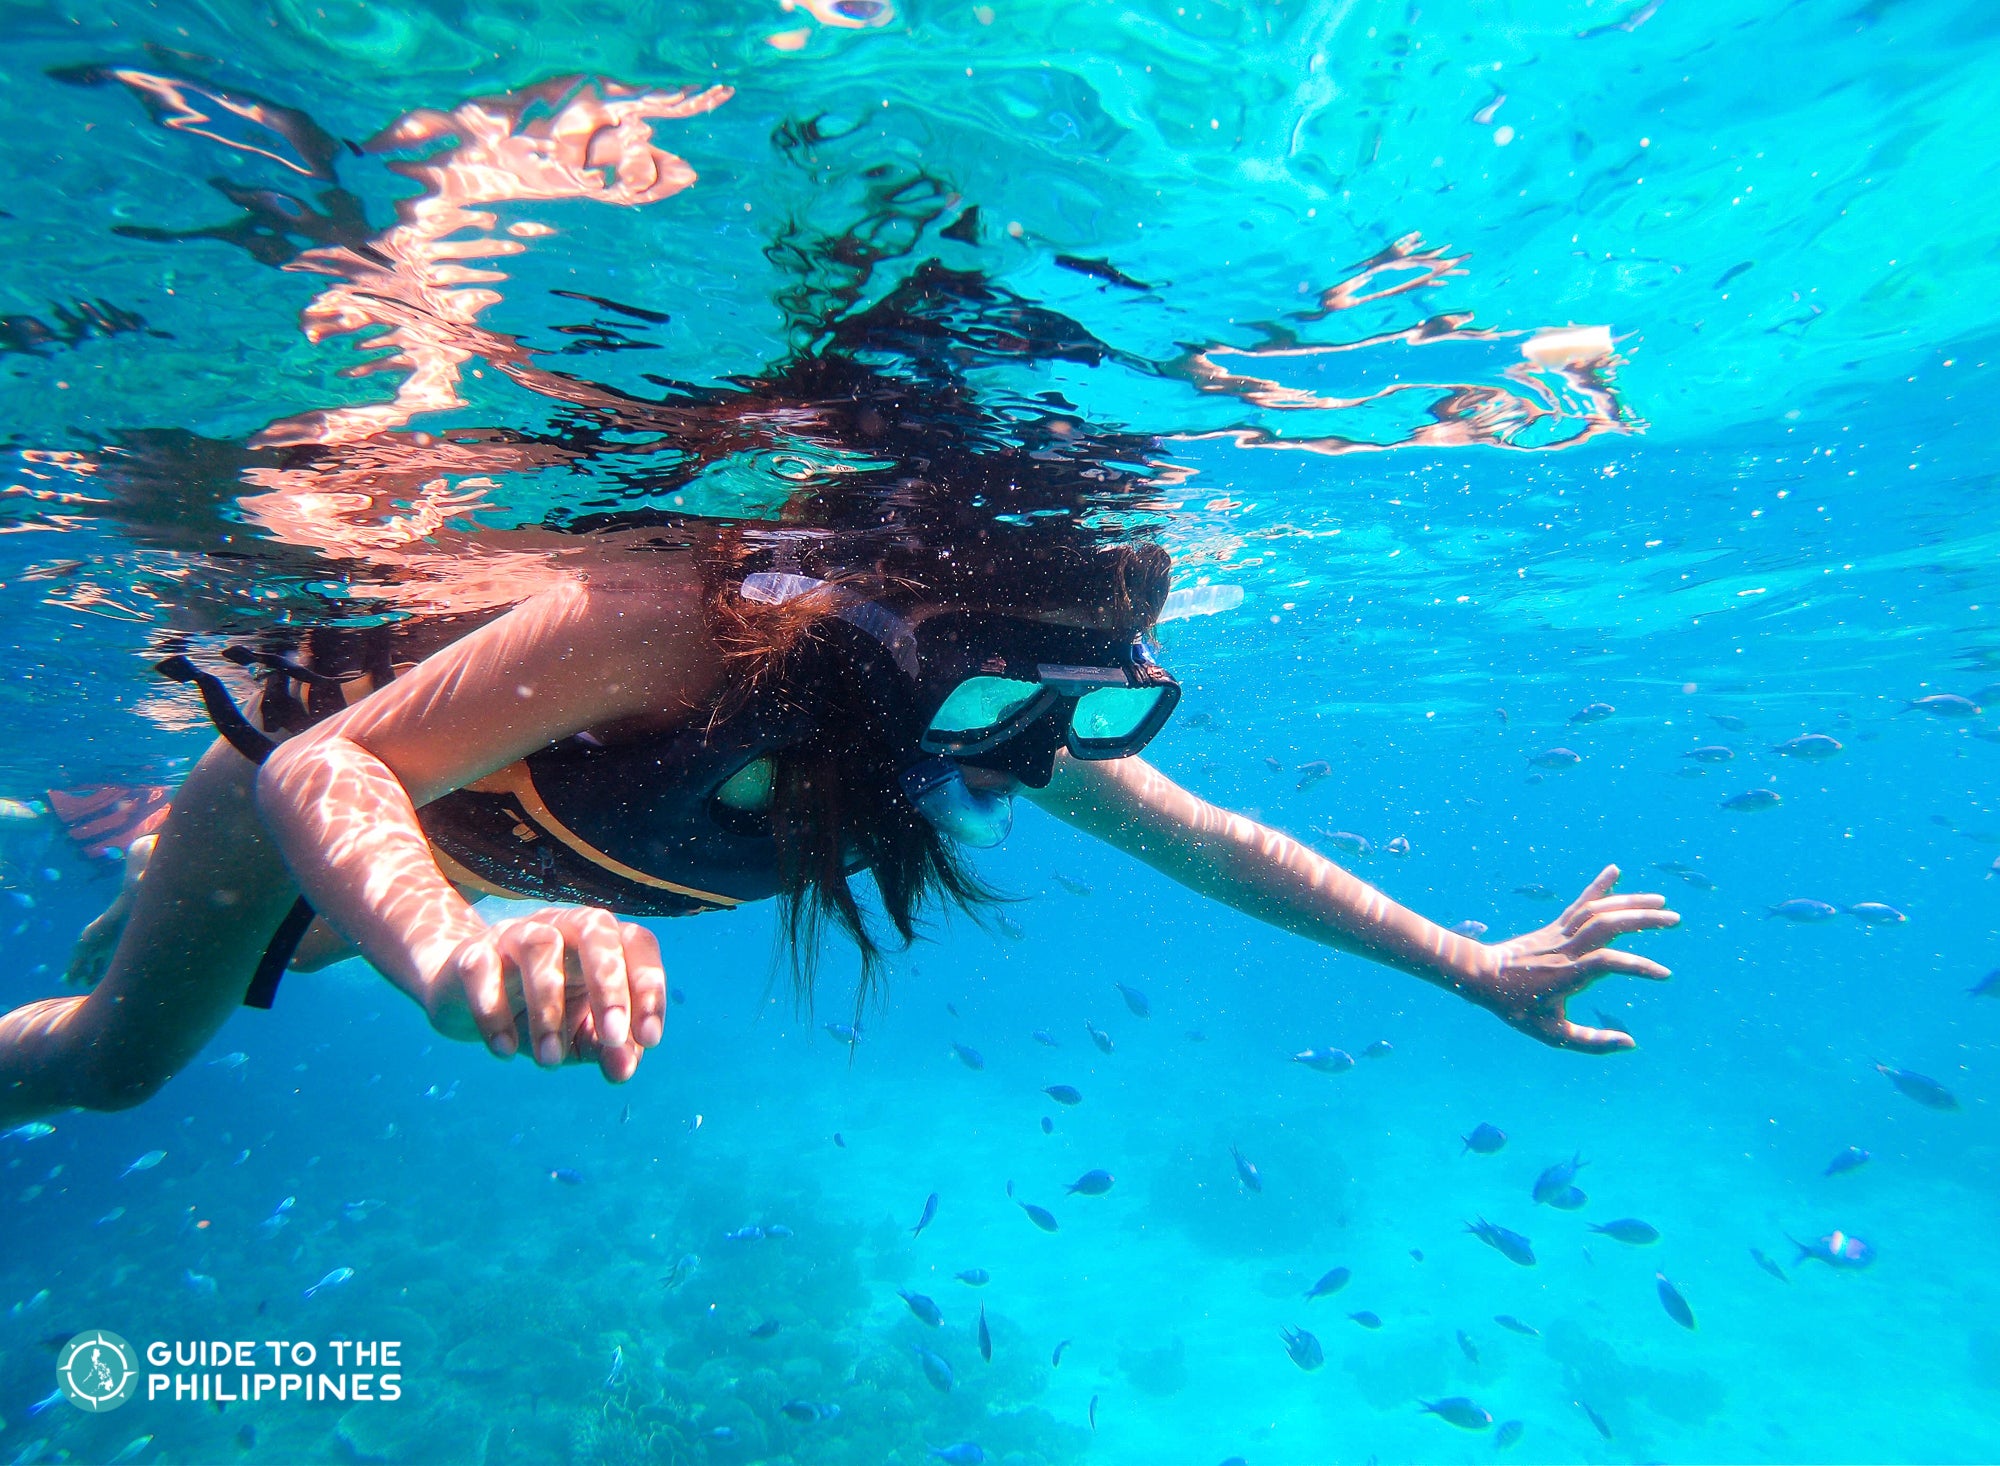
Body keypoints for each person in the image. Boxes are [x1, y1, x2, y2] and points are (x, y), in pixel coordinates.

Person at [0, 493, 1677, 1126]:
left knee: (188, 947)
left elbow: (1222, 843)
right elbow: (328, 772)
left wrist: (1472, 963)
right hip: (353, 804)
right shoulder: (664, 619)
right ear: (887, 643)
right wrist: (458, 948)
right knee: (113, 1064)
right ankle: (161, 884)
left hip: (507, 847)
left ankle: (144, 893)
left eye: (1093, 716)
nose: (1033, 753)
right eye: (998, 704)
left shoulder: (1008, 700)